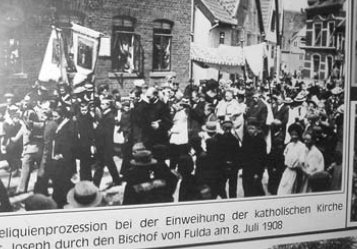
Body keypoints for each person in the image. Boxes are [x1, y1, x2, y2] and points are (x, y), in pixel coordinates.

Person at [51, 106, 77, 208]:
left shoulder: (69, 125)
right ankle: (61, 198)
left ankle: (61, 199)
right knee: (62, 178)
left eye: (56, 116)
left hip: (65, 157)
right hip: (60, 156)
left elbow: (70, 142)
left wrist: (62, 154)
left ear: (62, 116)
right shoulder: (61, 124)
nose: (54, 118)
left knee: (63, 178)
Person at [93, 97, 121, 188]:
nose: (101, 105)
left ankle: (95, 185)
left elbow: (105, 132)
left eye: (102, 104)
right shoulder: (106, 115)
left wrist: (96, 128)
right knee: (109, 163)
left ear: (107, 105)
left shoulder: (109, 116)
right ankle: (117, 180)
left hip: (104, 144)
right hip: (105, 145)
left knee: (100, 165)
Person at [240, 118, 266, 197]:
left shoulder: (261, 141)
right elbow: (243, 153)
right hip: (247, 168)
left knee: (256, 189)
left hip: (256, 169)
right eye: (249, 128)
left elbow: (262, 158)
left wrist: (258, 173)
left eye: (252, 128)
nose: (250, 130)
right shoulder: (246, 138)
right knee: (246, 188)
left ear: (257, 129)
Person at [277, 123, 305, 195]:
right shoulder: (289, 145)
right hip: (287, 171)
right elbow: (285, 155)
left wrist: (296, 166)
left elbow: (301, 161)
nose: (294, 136)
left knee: (291, 190)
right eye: (292, 134)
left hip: (296, 172)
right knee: (282, 190)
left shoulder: (302, 146)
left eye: (296, 134)